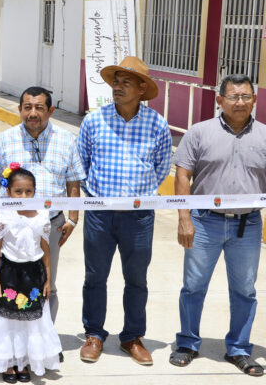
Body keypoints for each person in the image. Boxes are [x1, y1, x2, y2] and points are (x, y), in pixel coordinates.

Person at [76, 56, 172, 366]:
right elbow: (82, 164)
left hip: (139, 218)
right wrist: (96, 199)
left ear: (141, 88)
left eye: (125, 82)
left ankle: (132, 337)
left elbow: (160, 169)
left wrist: (138, 197)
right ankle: (94, 334)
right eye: (115, 81)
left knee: (137, 280)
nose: (117, 87)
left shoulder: (157, 124)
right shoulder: (94, 120)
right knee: (95, 277)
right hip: (100, 215)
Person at [169, 74, 265, 376]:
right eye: (233, 96)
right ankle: (187, 344)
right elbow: (183, 175)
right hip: (203, 222)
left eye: (245, 96)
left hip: (247, 226)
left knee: (245, 290)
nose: (240, 102)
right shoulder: (199, 133)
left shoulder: (264, 135)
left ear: (255, 100)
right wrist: (184, 218)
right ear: (219, 100)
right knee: (194, 286)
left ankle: (239, 349)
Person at [0, 86, 85, 335]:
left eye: (39, 107)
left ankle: (44, 342)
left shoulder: (66, 140)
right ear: (19, 109)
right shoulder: (4, 140)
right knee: (9, 284)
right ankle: (11, 342)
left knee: (47, 284)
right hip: (10, 229)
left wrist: (72, 220)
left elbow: (73, 182)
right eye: (27, 107)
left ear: (50, 110)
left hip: (49, 226)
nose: (33, 113)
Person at [0, 164, 61, 383]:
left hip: (34, 274)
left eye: (29, 191)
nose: (24, 195)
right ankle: (8, 362)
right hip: (9, 273)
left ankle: (24, 362)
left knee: (30, 320)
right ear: (8, 192)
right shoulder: (3, 214)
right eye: (18, 191)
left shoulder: (41, 214)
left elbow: (46, 249)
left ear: (35, 191)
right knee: (7, 319)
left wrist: (48, 279)